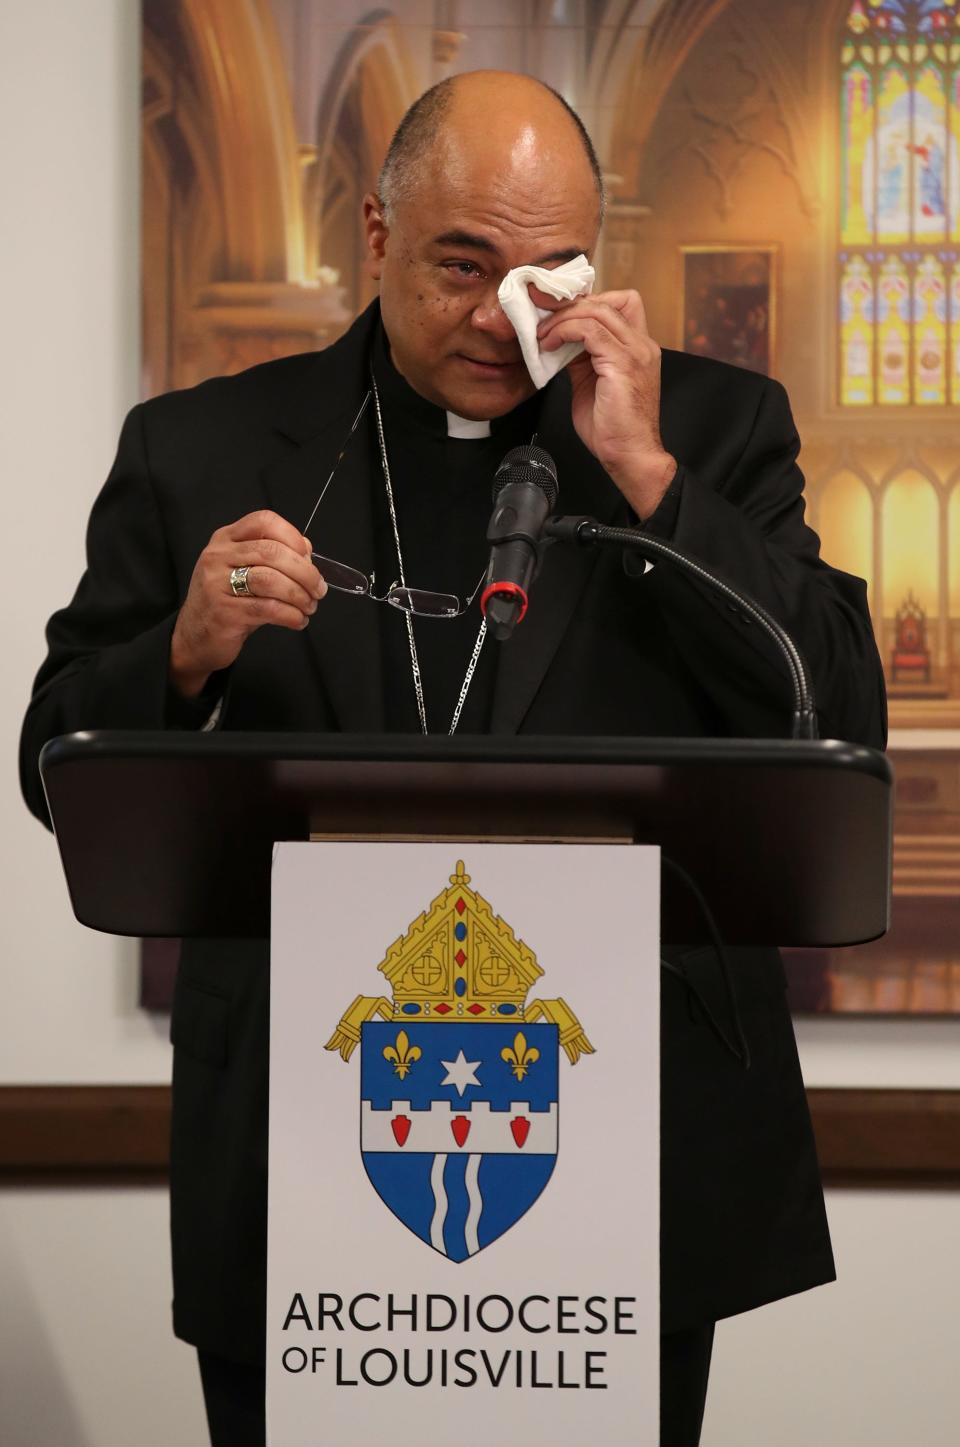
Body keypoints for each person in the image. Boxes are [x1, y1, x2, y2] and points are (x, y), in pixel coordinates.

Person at [20, 71, 886, 1446]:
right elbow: (54, 751)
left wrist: (652, 477)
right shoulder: (203, 449)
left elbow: (838, 707)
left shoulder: (711, 433)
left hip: (625, 1137)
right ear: (375, 231)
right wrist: (182, 652)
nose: (502, 318)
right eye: (461, 265)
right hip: (299, 1140)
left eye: (550, 274)